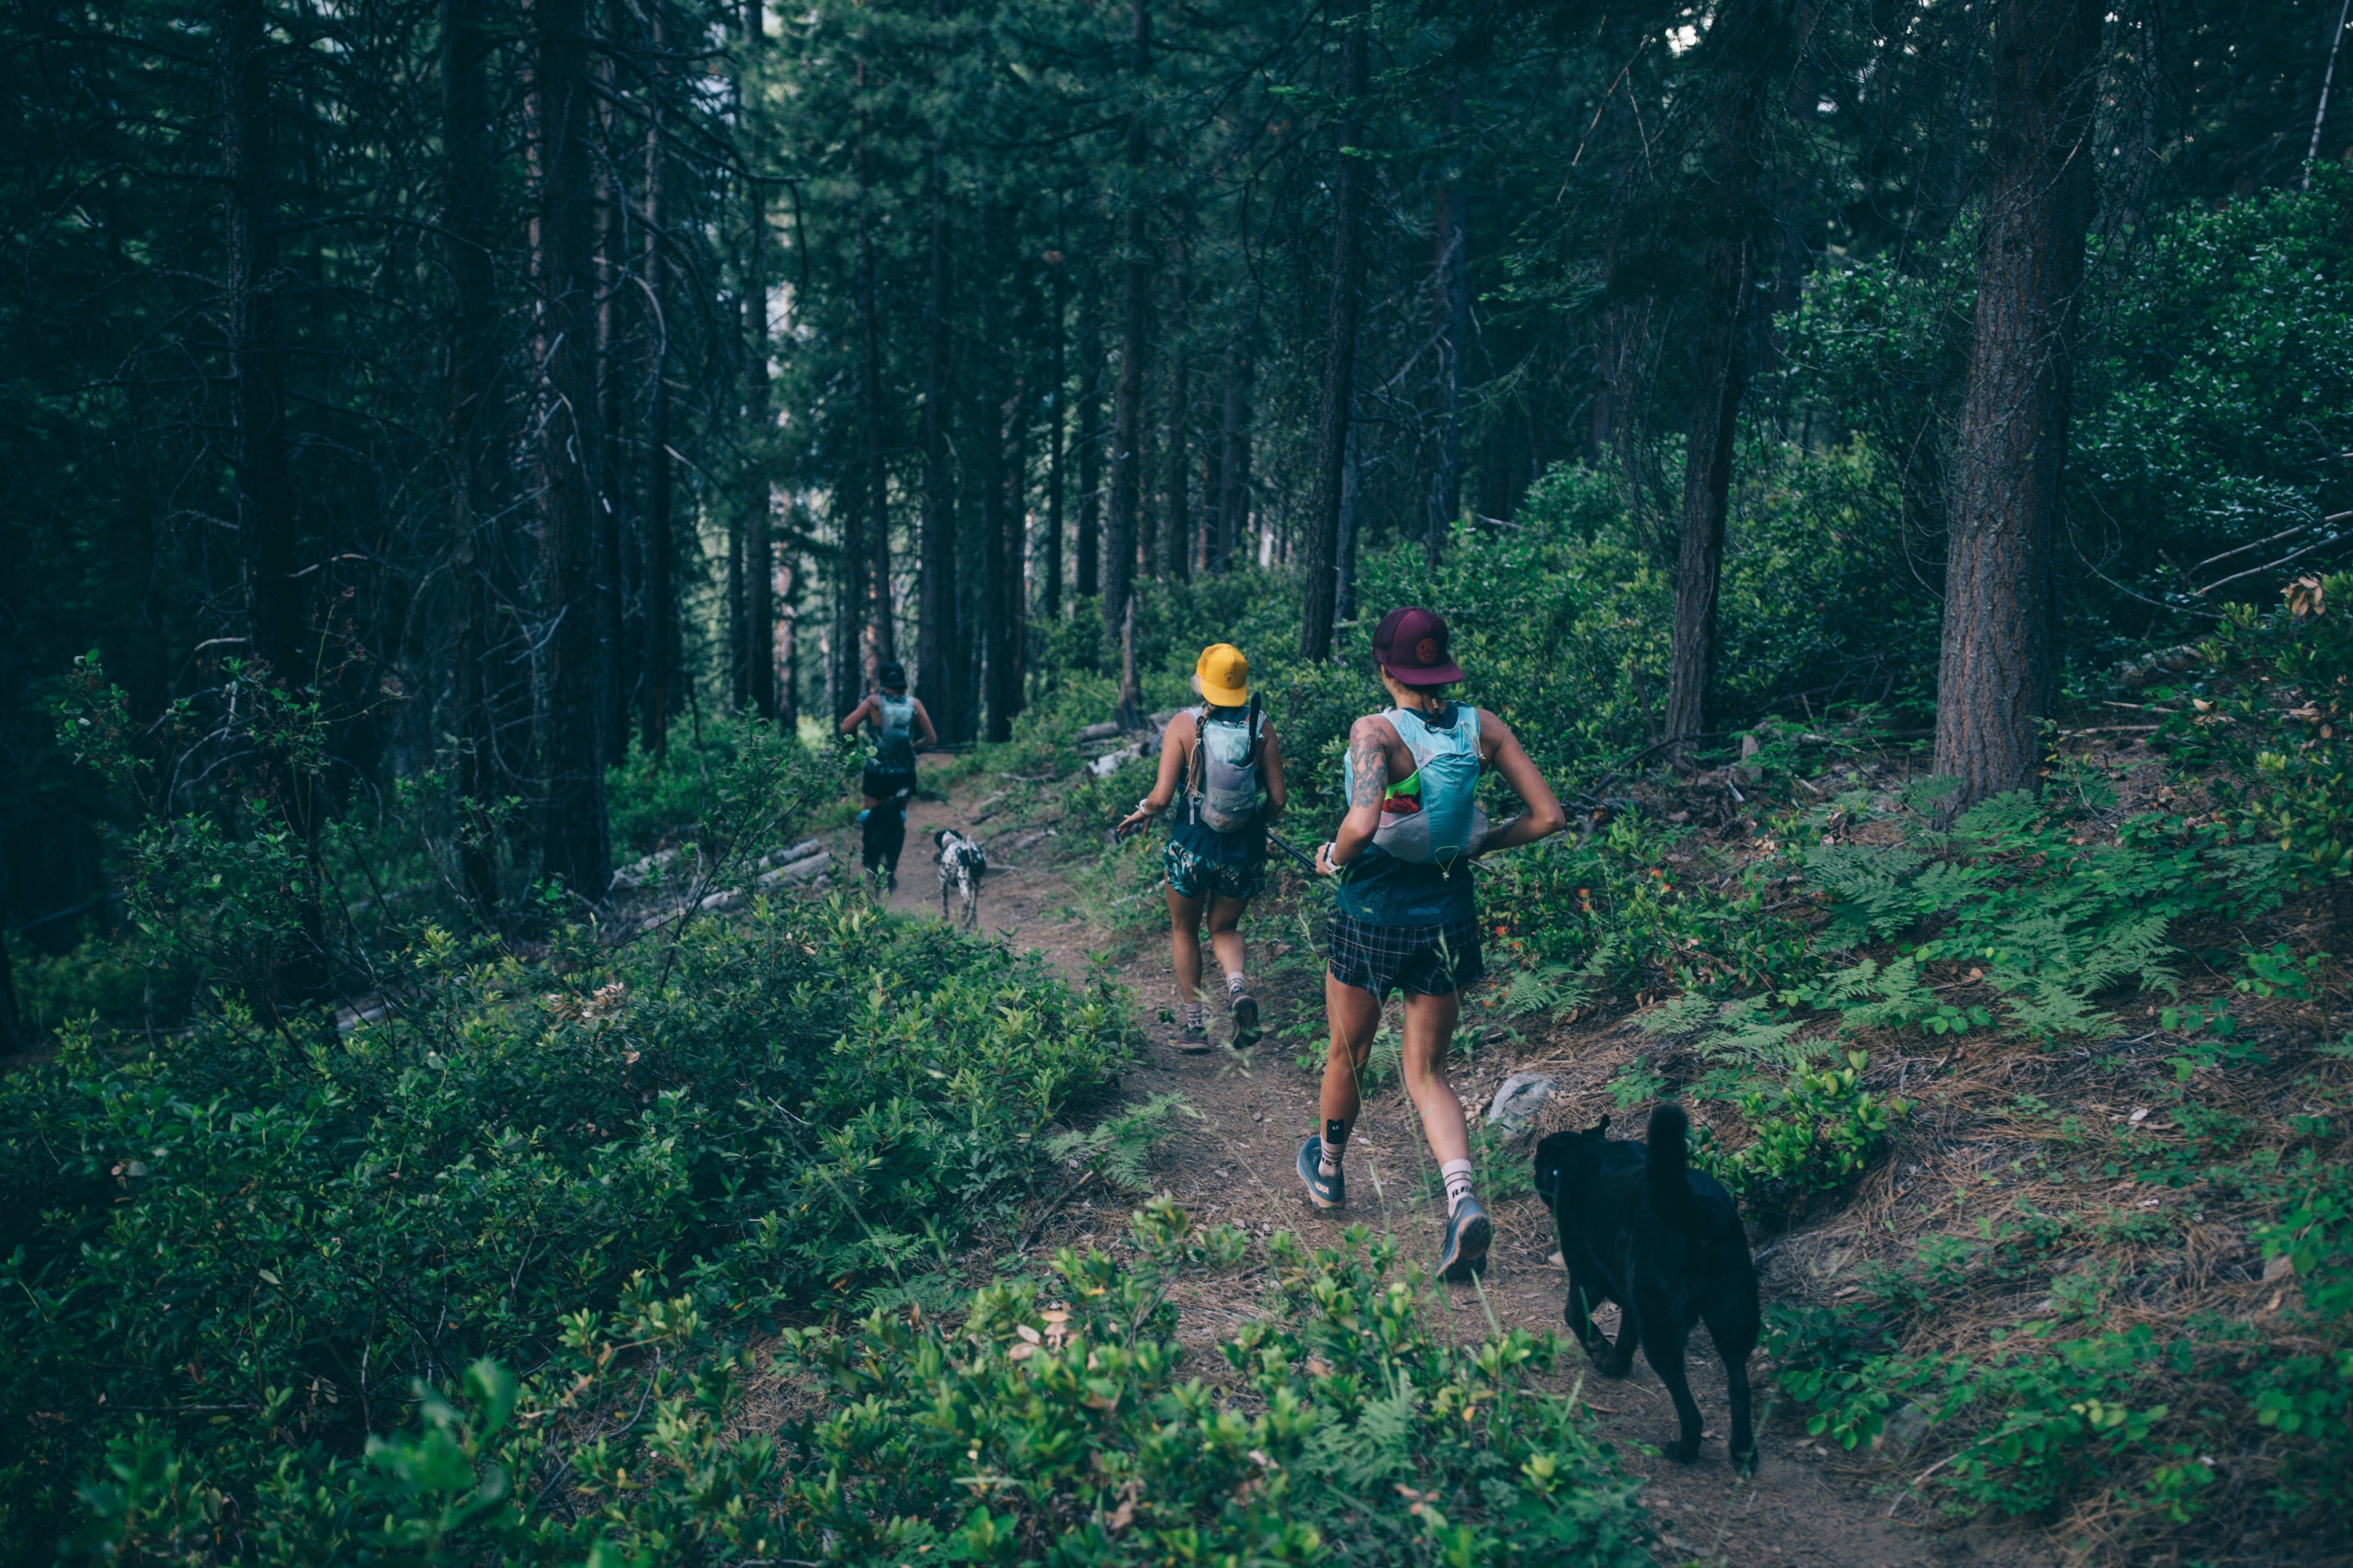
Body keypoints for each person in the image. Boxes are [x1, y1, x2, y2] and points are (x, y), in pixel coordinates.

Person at [1296, 606, 1566, 1281]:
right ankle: (1462, 1201)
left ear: (1385, 668)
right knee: (1428, 1074)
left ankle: (1328, 1171)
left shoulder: (1375, 732)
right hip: (1447, 917)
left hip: (1371, 916)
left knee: (1350, 1054)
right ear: (1440, 664)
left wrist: (1332, 854)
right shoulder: (1484, 728)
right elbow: (1549, 816)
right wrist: (1485, 840)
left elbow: (1362, 822)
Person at [1114, 643, 1289, 1052]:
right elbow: (1279, 799)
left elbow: (1159, 798)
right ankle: (1237, 989)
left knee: (1184, 929)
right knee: (1224, 928)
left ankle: (1195, 1028)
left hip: (1190, 847)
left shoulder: (1183, 724)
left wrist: (1142, 812)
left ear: (1202, 681)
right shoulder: (1262, 726)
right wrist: (1255, 825)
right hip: (1242, 852)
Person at [837, 660, 938, 890]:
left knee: (872, 819)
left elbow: (846, 725)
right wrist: (916, 746)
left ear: (882, 681)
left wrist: (853, 746)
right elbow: (932, 739)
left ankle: (872, 868)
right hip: (904, 774)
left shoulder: (873, 703)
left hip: (876, 772)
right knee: (895, 821)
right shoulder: (915, 704)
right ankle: (890, 870)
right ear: (902, 681)